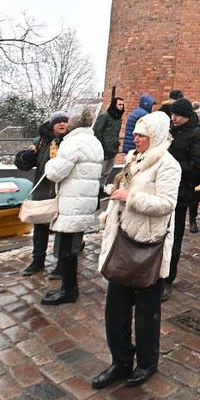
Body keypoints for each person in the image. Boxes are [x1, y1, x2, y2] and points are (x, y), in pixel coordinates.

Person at [93, 111, 181, 390]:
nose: (136, 137)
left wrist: (131, 198)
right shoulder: (134, 158)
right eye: (136, 133)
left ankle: (147, 363)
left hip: (146, 246)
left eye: (142, 134)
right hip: (122, 242)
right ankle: (120, 361)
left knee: (146, 313)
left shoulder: (168, 164)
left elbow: (167, 203)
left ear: (154, 136)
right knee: (115, 310)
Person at [42, 110, 103, 305]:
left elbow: (55, 172)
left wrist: (50, 162)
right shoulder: (94, 141)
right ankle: (69, 287)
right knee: (72, 246)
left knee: (66, 249)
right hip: (84, 201)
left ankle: (69, 290)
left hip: (72, 202)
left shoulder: (73, 142)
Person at [163, 98, 200, 301]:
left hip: (181, 194)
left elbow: (198, 166)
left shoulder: (197, 135)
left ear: (187, 115)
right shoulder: (169, 131)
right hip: (161, 191)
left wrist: (170, 167)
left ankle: (167, 278)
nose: (174, 118)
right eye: (172, 114)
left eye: (178, 115)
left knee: (174, 237)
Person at [15, 111, 70, 277]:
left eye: (65, 121)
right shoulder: (40, 141)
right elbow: (25, 165)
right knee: (40, 226)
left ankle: (62, 263)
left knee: (63, 228)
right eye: (58, 121)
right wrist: (25, 158)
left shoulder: (70, 142)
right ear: (52, 124)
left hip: (63, 190)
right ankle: (37, 260)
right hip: (43, 188)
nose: (62, 124)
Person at [93, 94, 125, 188]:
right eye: (119, 104)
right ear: (114, 105)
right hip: (103, 150)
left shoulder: (118, 119)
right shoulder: (105, 116)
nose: (121, 106)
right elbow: (97, 131)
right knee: (100, 171)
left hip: (112, 149)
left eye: (122, 105)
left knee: (107, 172)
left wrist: (116, 144)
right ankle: (96, 188)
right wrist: (102, 145)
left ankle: (101, 186)